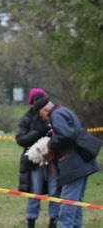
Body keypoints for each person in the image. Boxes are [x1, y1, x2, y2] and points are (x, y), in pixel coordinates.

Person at [34, 97, 99, 228]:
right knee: (76, 203)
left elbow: (66, 135)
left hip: (73, 165)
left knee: (67, 203)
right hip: (81, 163)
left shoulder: (56, 115)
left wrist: (49, 145)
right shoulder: (64, 110)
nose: (43, 119)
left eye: (42, 115)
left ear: (45, 109)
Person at [16, 88, 59, 228]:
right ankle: (31, 221)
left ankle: (53, 221)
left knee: (54, 192)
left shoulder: (54, 116)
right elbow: (21, 139)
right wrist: (38, 132)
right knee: (34, 192)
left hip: (53, 161)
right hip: (35, 162)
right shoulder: (27, 119)